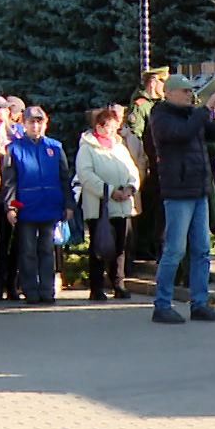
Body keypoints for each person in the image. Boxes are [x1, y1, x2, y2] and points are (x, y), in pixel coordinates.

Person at [148, 76, 215, 324]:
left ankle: (200, 303)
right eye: (185, 91)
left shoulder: (192, 115)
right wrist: (206, 109)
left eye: (191, 91)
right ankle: (162, 305)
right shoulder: (161, 115)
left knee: (201, 251)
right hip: (178, 192)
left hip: (198, 190)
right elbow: (182, 134)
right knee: (174, 250)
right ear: (170, 93)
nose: (189, 95)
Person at [2, 107, 69, 305]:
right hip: (26, 207)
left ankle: (47, 290)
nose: (36, 126)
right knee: (28, 251)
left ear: (45, 124)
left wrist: (68, 204)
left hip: (49, 206)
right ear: (24, 124)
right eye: (31, 122)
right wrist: (11, 207)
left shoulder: (55, 147)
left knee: (48, 250)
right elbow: (9, 181)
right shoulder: (14, 149)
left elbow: (64, 177)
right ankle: (30, 290)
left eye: (40, 122)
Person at [76, 106, 141, 301]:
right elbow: (85, 175)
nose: (113, 131)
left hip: (122, 205)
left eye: (115, 127)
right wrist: (109, 190)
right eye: (109, 127)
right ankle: (96, 287)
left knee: (120, 247)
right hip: (99, 206)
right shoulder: (87, 149)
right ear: (98, 127)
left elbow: (133, 170)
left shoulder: (119, 147)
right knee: (99, 246)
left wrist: (130, 187)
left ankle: (118, 283)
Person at [124, 66, 167, 261]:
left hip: (158, 163)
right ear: (152, 83)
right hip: (146, 162)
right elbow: (137, 136)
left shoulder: (160, 104)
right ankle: (142, 245)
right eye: (162, 82)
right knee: (147, 206)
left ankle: (150, 243)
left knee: (155, 206)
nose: (164, 86)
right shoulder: (141, 105)